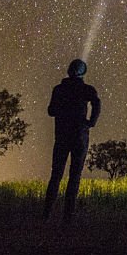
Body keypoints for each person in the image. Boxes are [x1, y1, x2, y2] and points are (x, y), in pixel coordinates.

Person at [43, 58, 101, 222]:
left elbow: (51, 111)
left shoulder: (59, 89)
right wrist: (91, 122)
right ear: (83, 72)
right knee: (74, 176)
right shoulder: (87, 89)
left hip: (62, 135)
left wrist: (62, 111)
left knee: (56, 174)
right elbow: (97, 103)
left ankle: (46, 213)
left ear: (69, 71)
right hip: (80, 136)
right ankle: (68, 216)